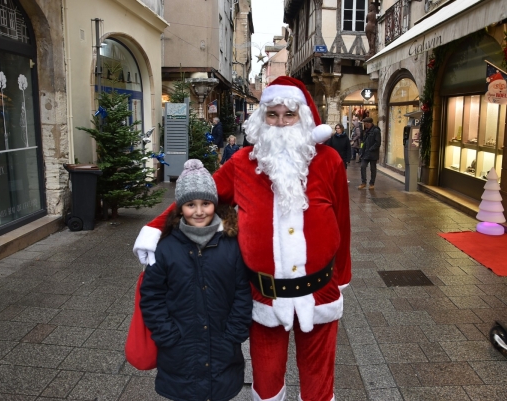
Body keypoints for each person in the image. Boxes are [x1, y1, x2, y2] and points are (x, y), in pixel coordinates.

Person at [133, 76, 351, 401]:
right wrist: (155, 228)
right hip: (264, 297)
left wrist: (342, 277)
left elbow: (343, 224)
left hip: (319, 292)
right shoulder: (242, 165)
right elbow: (199, 196)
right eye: (272, 115)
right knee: (266, 381)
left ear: (302, 117)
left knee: (319, 382)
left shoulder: (329, 162)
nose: (279, 122)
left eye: (288, 114)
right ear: (261, 118)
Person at [139, 159, 253, 401]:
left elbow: (243, 292)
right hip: (180, 352)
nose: (199, 211)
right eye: (191, 204)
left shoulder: (231, 245)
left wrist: (234, 333)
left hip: (223, 349)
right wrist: (167, 335)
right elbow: (151, 296)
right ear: (180, 208)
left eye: (206, 203)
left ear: (215, 204)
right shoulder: (166, 248)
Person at [358, 117, 381, 190]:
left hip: (373, 153)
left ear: (368, 123)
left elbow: (378, 143)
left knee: (373, 169)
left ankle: (372, 183)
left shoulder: (376, 131)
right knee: (362, 166)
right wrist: (361, 149)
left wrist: (371, 149)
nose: (364, 125)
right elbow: (363, 141)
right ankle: (363, 182)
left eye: (365, 123)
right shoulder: (365, 131)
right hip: (365, 153)